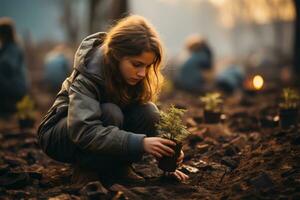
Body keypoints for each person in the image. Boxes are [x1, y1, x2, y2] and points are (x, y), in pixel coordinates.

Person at [37, 15, 188, 184]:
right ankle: (87, 168)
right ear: (116, 55)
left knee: (149, 112)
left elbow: (141, 117)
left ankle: (119, 167)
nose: (142, 73)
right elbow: (84, 131)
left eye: (147, 66)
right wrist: (140, 143)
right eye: (136, 64)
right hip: (62, 134)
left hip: (98, 126)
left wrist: (167, 155)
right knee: (111, 112)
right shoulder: (88, 75)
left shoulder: (133, 75)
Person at [0, 17, 28, 116]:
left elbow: (7, 68)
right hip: (14, 87)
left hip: (17, 89)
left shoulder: (12, 48)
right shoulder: (7, 48)